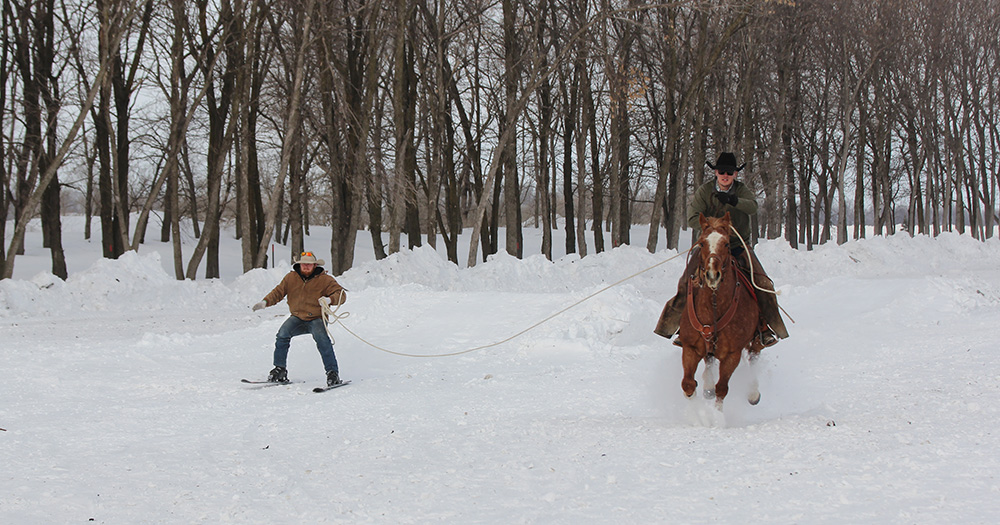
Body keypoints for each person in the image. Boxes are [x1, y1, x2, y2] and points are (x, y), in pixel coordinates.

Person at [654, 151, 789, 347]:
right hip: (710, 247)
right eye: (721, 172)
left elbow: (752, 207)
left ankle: (765, 328)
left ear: (735, 174)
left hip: (737, 246)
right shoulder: (704, 191)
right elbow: (693, 218)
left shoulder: (742, 190)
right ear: (716, 173)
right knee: (686, 282)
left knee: (763, 284)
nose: (725, 176)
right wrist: (715, 226)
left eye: (729, 172)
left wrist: (734, 201)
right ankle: (677, 327)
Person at [252, 251, 348, 386]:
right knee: (282, 335)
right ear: (299, 264)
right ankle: (280, 369)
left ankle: (332, 373)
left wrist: (329, 299)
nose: (306, 267)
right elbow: (278, 292)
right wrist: (265, 302)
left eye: (309, 265)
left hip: (317, 318)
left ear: (315, 265)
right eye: (304, 264)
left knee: (322, 340)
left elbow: (341, 294)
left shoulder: (325, 279)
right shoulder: (291, 278)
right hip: (297, 317)